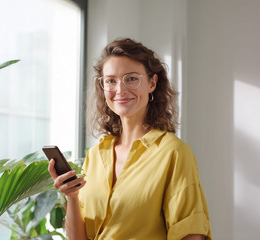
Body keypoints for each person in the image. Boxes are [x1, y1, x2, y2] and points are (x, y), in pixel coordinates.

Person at [48, 38, 212, 240]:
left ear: (152, 83)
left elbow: (191, 233)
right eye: (111, 81)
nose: (120, 89)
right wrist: (71, 197)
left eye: (131, 78)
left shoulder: (173, 152)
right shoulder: (96, 155)